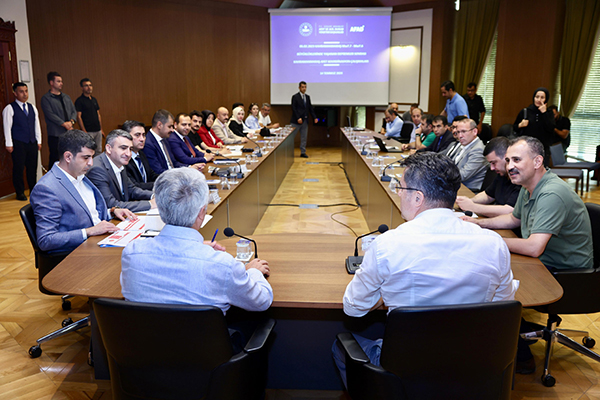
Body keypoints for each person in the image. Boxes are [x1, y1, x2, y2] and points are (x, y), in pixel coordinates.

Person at [332, 151, 516, 387]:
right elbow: (501, 306)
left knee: (340, 347)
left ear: (417, 198)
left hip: (405, 370)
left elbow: (353, 308)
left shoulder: (388, 245)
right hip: (471, 367)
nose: (398, 193)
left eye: (402, 187)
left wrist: (383, 296)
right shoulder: (494, 245)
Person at [120, 167, 273, 314]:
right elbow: (262, 301)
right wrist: (253, 272)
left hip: (146, 340)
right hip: (205, 341)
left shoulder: (132, 254)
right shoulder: (222, 265)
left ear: (160, 210)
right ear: (201, 213)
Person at [462, 136, 593, 270]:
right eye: (508, 161)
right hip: (541, 261)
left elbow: (534, 248)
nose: (510, 167)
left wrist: (490, 241)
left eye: (516, 160)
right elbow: (513, 219)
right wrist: (479, 224)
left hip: (565, 271)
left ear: (537, 162)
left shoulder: (551, 193)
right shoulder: (527, 186)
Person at [29, 130, 134, 253]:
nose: (91, 163)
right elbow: (46, 240)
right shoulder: (47, 188)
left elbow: (85, 212)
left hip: (101, 240)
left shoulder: (80, 176)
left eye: (92, 157)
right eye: (86, 158)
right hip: (78, 252)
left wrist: (112, 211)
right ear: (68, 157)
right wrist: (90, 231)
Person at [87, 130, 156, 213]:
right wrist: (149, 204)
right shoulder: (97, 169)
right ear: (109, 148)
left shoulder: (119, 163)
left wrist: (153, 195)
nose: (128, 154)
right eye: (123, 148)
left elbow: (132, 189)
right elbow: (111, 204)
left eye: (130, 149)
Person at [456, 136, 521, 217]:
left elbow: (509, 210)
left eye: (494, 163)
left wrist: (473, 207)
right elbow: (488, 195)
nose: (491, 168)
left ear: (506, 157)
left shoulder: (520, 177)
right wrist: (468, 201)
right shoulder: (502, 174)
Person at [2, 82, 42, 201]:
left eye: (26, 91)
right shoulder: (9, 108)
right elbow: (7, 127)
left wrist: (38, 140)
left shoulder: (32, 107)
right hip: (18, 142)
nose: (24, 94)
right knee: (18, 168)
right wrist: (8, 143)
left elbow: (36, 125)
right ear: (15, 93)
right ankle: (19, 192)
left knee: (32, 167)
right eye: (21, 91)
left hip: (32, 142)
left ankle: (32, 189)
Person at [144, 109, 202, 174]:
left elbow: (174, 162)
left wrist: (189, 167)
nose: (172, 130)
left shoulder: (165, 140)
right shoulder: (148, 144)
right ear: (159, 125)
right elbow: (158, 171)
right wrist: (183, 171)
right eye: (169, 126)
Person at [40, 71, 77, 168]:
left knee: (69, 157)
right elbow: (50, 114)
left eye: (61, 81)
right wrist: (63, 124)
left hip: (69, 134)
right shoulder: (46, 98)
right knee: (55, 158)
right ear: (51, 83)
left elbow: (74, 111)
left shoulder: (66, 97)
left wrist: (71, 122)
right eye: (58, 81)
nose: (61, 83)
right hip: (55, 134)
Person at [513, 87, 555, 166]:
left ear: (546, 99)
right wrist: (520, 125)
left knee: (541, 173)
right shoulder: (525, 111)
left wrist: (544, 113)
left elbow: (551, 129)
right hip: (526, 148)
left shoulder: (549, 113)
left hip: (543, 149)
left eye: (542, 97)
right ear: (533, 98)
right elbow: (514, 128)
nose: (539, 100)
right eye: (537, 97)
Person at [448, 118, 488, 192]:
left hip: (469, 191)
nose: (460, 136)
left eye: (463, 132)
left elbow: (462, 175)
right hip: (456, 186)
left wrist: (441, 172)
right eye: (458, 132)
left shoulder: (478, 150)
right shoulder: (464, 144)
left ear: (475, 131)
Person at [123, 120, 158, 190]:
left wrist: (167, 178)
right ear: (126, 137)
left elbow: (151, 175)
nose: (142, 139)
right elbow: (135, 186)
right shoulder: (124, 158)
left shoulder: (141, 153)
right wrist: (159, 184)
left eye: (143, 135)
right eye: (137, 135)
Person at [75, 78, 104, 155]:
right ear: (82, 88)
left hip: (97, 130)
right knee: (89, 151)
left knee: (99, 151)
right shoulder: (79, 101)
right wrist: (84, 130)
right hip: (88, 131)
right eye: (86, 85)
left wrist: (101, 129)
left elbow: (98, 114)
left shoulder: (94, 99)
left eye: (90, 85)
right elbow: (79, 116)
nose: (89, 87)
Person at [290, 81, 318, 158]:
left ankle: (303, 152)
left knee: (304, 137)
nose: (304, 88)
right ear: (299, 88)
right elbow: (294, 108)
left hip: (305, 121)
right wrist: (298, 117)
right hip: (296, 121)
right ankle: (288, 152)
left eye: (305, 87)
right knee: (291, 137)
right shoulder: (295, 97)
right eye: (302, 87)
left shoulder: (307, 97)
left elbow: (310, 108)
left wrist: (314, 117)